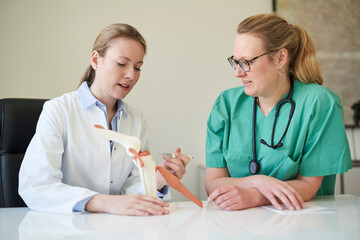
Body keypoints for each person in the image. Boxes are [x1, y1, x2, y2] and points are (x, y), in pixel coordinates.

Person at [19, 23, 191, 216]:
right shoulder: (58, 110)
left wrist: (159, 180)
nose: (131, 75)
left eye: (138, 67)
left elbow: (130, 188)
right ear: (95, 59)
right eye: (121, 64)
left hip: (115, 228)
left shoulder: (136, 120)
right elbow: (36, 185)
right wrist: (103, 202)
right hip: (67, 228)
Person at [205, 13, 352, 211]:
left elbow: (309, 185)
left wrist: (254, 196)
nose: (238, 72)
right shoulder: (227, 104)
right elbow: (213, 183)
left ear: (281, 57)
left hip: (304, 224)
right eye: (236, 61)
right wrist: (256, 181)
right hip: (238, 226)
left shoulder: (318, 103)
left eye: (246, 62)